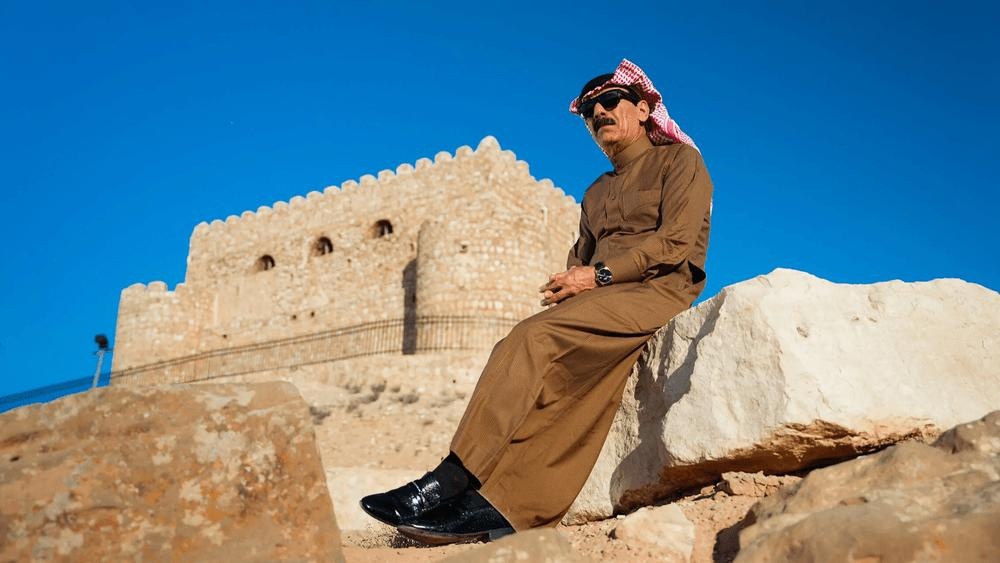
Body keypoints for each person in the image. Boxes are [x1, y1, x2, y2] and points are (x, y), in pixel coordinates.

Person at [361, 59, 713, 545]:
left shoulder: (680, 162)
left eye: (610, 101)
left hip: (657, 290)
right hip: (604, 299)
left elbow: (675, 243)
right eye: (589, 111)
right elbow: (581, 255)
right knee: (554, 386)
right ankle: (500, 510)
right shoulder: (596, 192)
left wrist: (596, 276)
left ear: (643, 108)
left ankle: (449, 479)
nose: (599, 113)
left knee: (531, 338)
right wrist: (571, 281)